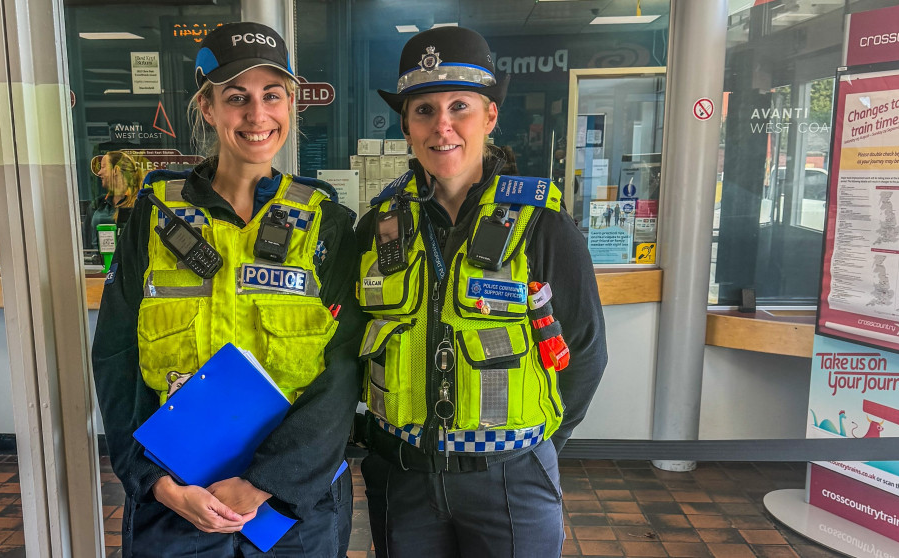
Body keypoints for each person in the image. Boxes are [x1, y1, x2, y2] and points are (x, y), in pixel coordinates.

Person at [92, 21, 362, 558]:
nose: (257, 116)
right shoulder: (153, 216)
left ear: (292, 105)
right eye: (236, 98)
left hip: (292, 508)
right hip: (176, 497)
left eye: (272, 96)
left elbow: (342, 373)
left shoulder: (328, 223)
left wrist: (264, 483)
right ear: (208, 107)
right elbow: (117, 358)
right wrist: (157, 484)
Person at [355, 27, 608, 557]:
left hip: (510, 478)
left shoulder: (542, 225)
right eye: (424, 109)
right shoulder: (377, 228)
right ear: (406, 123)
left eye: (460, 106)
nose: (441, 125)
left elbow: (585, 350)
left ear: (490, 116)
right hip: (402, 477)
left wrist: (538, 447)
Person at [88, 150, 145, 248]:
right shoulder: (98, 204)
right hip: (97, 262)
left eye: (103, 167)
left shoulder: (140, 204)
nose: (99, 172)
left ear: (116, 170)